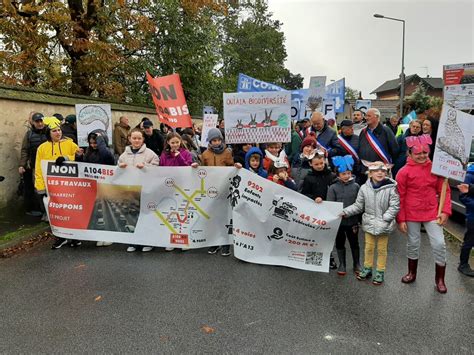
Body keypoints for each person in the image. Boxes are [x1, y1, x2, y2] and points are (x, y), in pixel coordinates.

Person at [396, 134, 451, 293]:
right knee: (413, 243)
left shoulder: (437, 169)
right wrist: (401, 219)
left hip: (432, 212)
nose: (422, 156)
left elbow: (444, 191)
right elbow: (400, 196)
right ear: (410, 153)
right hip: (411, 213)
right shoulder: (403, 172)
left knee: (439, 243)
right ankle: (412, 272)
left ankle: (440, 279)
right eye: (418, 153)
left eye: (425, 153)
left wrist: (445, 211)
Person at [342, 161, 400, 285]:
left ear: (387, 173)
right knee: (368, 248)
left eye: (383, 171)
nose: (380, 173)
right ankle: (367, 268)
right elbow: (358, 205)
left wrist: (386, 218)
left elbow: (395, 206)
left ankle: (380, 271)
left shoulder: (391, 188)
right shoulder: (364, 188)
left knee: (381, 250)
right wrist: (345, 212)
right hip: (369, 224)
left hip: (384, 224)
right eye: (376, 171)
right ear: (370, 173)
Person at [35, 117, 82, 249]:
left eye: (59, 130)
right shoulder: (42, 148)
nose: (58, 133)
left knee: (71, 212)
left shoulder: (70, 144)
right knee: (57, 213)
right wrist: (40, 187)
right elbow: (38, 169)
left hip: (69, 186)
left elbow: (80, 158)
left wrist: (67, 158)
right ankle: (61, 237)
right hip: (52, 187)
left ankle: (75, 237)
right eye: (54, 131)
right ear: (48, 133)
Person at [118, 128, 160, 253]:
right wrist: (119, 167)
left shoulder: (150, 154)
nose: (136, 140)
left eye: (139, 138)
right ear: (129, 138)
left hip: (146, 190)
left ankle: (148, 241)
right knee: (132, 215)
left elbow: (158, 169)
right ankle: (134, 242)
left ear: (143, 139)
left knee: (146, 216)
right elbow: (117, 171)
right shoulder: (123, 155)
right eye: (134, 138)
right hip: (130, 190)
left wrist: (146, 167)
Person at [201, 128, 238, 256]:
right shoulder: (205, 154)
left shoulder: (227, 152)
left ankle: (226, 243)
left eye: (218, 140)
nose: (216, 143)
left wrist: (236, 167)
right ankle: (214, 242)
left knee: (225, 216)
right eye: (213, 140)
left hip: (224, 188)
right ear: (209, 141)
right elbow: (202, 170)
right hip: (211, 190)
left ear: (221, 140)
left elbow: (231, 167)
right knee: (214, 217)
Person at [159, 132, 197, 252]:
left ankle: (183, 240)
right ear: (168, 143)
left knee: (182, 214)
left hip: (183, 188)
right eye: (172, 142)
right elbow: (160, 169)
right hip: (169, 188)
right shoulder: (164, 155)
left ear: (180, 142)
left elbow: (187, 168)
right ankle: (171, 240)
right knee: (170, 214)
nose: (175, 144)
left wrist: (178, 156)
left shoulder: (186, 153)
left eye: (177, 142)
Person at [300, 152, 337, 269]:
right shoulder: (308, 178)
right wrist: (313, 198)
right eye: (316, 164)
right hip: (314, 211)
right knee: (315, 235)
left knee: (328, 236)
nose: (320, 166)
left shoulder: (332, 176)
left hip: (329, 210)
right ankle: (313, 259)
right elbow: (305, 194)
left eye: (322, 163)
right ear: (311, 164)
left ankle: (329, 258)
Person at [327, 155, 361, 276]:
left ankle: (357, 263)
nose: (347, 176)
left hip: (352, 221)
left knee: (354, 243)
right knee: (340, 243)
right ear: (338, 175)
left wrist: (359, 218)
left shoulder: (356, 186)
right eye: (344, 174)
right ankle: (342, 264)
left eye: (349, 173)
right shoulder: (333, 188)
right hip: (339, 223)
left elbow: (359, 203)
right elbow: (330, 205)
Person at [81, 129, 115, 247]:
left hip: (106, 186)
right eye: (91, 143)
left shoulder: (108, 151)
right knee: (98, 213)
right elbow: (84, 166)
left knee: (107, 211)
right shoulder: (89, 153)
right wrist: (78, 156)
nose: (93, 145)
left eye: (95, 142)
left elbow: (106, 155)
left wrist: (100, 140)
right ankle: (100, 235)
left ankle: (109, 235)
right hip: (94, 187)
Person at [358, 108, 399, 182]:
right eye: (366, 116)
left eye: (369, 116)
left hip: (381, 170)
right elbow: (360, 148)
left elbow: (394, 149)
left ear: (377, 117)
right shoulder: (363, 132)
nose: (366, 118)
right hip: (366, 170)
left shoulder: (386, 131)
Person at [19, 112, 47, 217]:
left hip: (50, 166)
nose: (40, 123)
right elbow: (24, 150)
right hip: (36, 166)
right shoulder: (29, 134)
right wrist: (22, 164)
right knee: (39, 189)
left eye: (41, 121)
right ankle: (41, 210)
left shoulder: (49, 132)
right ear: (33, 123)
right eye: (37, 121)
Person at [457, 178, 474, 277]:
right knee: (469, 241)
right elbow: (463, 196)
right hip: (472, 216)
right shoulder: (470, 174)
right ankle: (463, 265)